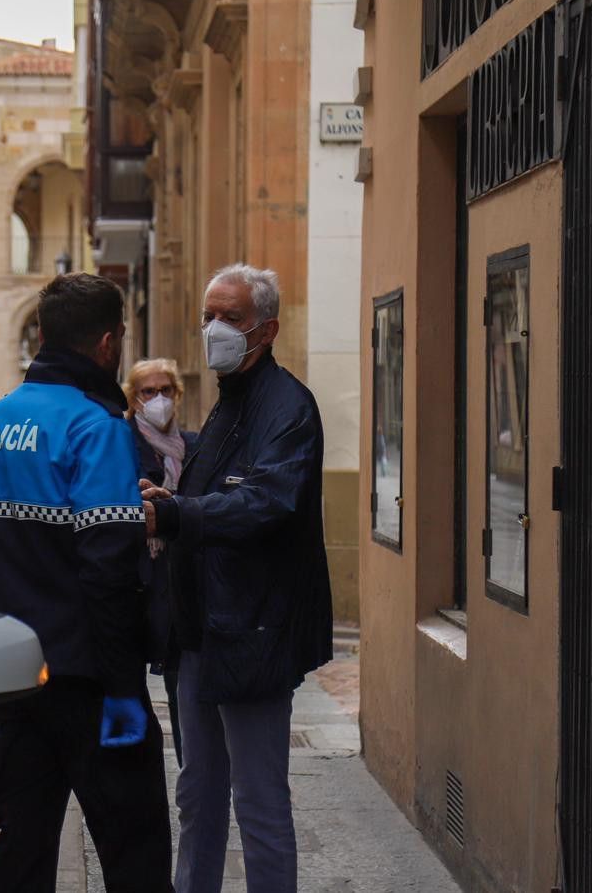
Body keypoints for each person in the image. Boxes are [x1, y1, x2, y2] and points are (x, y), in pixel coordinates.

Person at [0, 273, 172, 893]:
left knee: (22, 851)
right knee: (136, 856)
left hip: (17, 685)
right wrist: (125, 692)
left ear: (45, 334)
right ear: (108, 344)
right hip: (91, 686)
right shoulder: (96, 428)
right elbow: (109, 571)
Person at [141, 265, 332, 893]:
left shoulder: (287, 407)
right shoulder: (227, 403)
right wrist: (170, 500)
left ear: (267, 329)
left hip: (252, 632)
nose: (214, 329)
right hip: (200, 634)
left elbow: (268, 503)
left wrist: (179, 511)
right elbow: (209, 498)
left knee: (258, 803)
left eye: (231, 318)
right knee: (197, 794)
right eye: (209, 316)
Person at [122, 357, 198, 764]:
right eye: (148, 391)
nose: (159, 399)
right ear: (134, 399)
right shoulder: (120, 441)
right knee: (130, 682)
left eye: (166, 390)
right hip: (136, 579)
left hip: (179, 579)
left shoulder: (195, 445)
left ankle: (190, 765)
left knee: (181, 682)